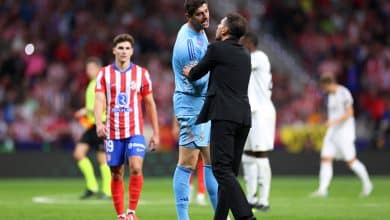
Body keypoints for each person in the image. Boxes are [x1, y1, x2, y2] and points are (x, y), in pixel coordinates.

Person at [183, 12, 256, 220]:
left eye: (221, 24)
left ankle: (246, 216)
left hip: (224, 115)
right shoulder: (245, 53)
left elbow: (197, 73)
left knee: (221, 169)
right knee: (229, 174)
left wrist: (189, 72)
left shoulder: (216, 49)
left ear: (225, 30)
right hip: (243, 117)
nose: (217, 26)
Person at [94, 33, 160, 220]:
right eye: (120, 48)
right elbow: (99, 100)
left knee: (136, 167)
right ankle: (120, 214)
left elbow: (150, 103)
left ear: (132, 51)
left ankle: (131, 211)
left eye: (127, 48)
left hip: (135, 131)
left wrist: (155, 132)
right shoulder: (104, 74)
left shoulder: (141, 73)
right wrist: (99, 123)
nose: (124, 51)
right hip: (113, 132)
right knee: (116, 173)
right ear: (114, 50)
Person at [172, 0, 219, 219]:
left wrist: (207, 68)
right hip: (191, 106)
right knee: (187, 162)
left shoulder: (200, 31)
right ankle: (183, 217)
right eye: (200, 14)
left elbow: (201, 71)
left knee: (211, 161)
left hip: (201, 104)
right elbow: (197, 83)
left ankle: (221, 214)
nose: (205, 16)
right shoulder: (187, 46)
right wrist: (215, 69)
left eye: (206, 11)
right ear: (188, 16)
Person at [311, 73, 373, 197]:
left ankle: (367, 183)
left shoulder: (344, 93)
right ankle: (323, 190)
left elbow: (350, 113)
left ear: (330, 83)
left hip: (344, 132)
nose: (324, 90)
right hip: (332, 132)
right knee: (325, 158)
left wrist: (333, 121)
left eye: (324, 87)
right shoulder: (330, 96)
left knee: (351, 161)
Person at [239, 32, 276, 211]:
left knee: (260, 153)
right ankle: (251, 197)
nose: (240, 45)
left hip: (261, 112)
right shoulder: (251, 59)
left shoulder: (259, 57)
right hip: (250, 111)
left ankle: (264, 199)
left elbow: (239, 64)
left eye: (242, 42)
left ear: (249, 43)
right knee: (248, 154)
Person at [73, 57, 111, 199]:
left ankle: (107, 191)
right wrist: (87, 111)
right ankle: (92, 186)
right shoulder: (91, 84)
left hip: (102, 124)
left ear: (99, 69)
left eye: (91, 68)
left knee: (103, 159)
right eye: (87, 69)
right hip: (92, 125)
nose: (88, 71)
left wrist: (86, 110)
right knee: (78, 154)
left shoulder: (103, 84)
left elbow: (107, 104)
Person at [172, 116, 207, 206]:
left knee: (200, 163)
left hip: (200, 129)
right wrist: (175, 126)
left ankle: (199, 194)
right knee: (188, 165)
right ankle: (191, 193)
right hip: (189, 130)